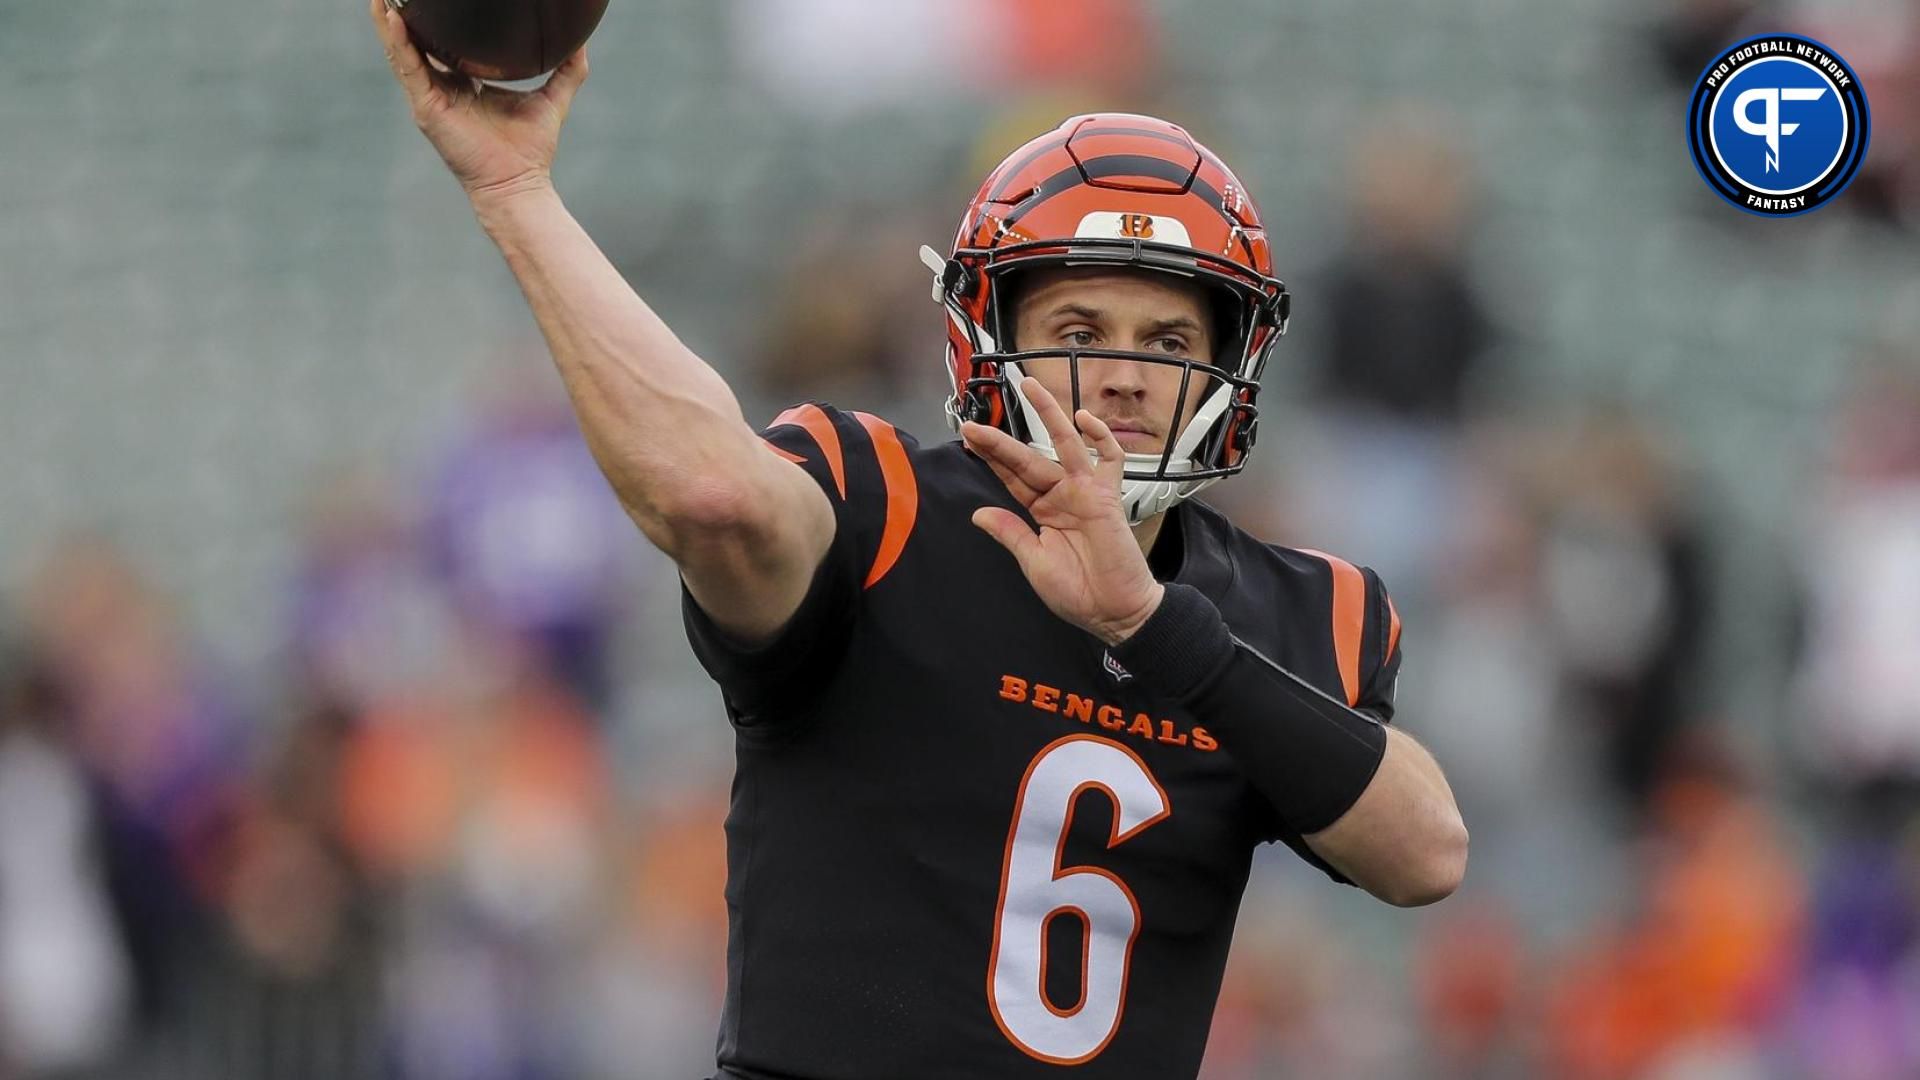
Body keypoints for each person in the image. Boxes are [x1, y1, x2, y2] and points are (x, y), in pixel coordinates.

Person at [370, 7, 1468, 1077]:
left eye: (1171, 340)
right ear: (990, 338)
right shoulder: (879, 504)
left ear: (1231, 367)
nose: (1130, 375)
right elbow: (710, 492)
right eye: (1080, 332)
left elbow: (1426, 855)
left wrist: (1159, 631)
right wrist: (515, 194)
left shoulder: (1291, 607)